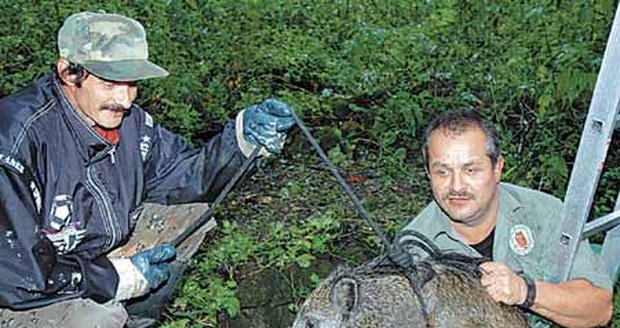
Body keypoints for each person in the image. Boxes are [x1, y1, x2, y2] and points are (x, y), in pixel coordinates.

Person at [0, 11, 295, 328]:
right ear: (69, 73)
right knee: (95, 319)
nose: (125, 100)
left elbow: (186, 177)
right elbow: (16, 275)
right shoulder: (16, 140)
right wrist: (118, 278)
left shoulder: (131, 125)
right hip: (17, 292)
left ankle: (136, 318)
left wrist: (242, 141)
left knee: (189, 213)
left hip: (84, 260)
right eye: (111, 82)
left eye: (132, 83)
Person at [392, 109, 613, 327]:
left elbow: (599, 310)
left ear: (497, 168)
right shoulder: (412, 248)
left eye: (471, 170)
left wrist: (524, 291)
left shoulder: (543, 213)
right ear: (428, 173)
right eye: (443, 172)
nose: (456, 186)